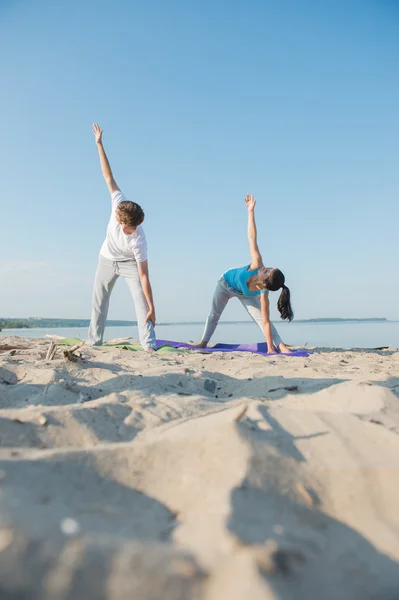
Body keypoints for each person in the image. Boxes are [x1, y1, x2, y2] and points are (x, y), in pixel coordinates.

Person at [87, 123, 156, 350]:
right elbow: (108, 175)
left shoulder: (139, 240)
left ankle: (148, 344)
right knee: (99, 300)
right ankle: (94, 341)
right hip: (106, 258)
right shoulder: (119, 202)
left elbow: (144, 277)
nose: (114, 211)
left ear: (125, 222)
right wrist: (99, 144)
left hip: (128, 263)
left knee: (140, 300)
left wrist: (152, 306)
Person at [196, 194, 293, 354]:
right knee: (214, 314)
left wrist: (270, 349)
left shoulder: (263, 294)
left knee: (262, 319)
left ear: (265, 282)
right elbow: (252, 237)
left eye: (267, 271)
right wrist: (250, 211)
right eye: (269, 268)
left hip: (245, 294)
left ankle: (280, 345)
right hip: (225, 283)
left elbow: (266, 322)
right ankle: (203, 343)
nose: (265, 268)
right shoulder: (257, 263)